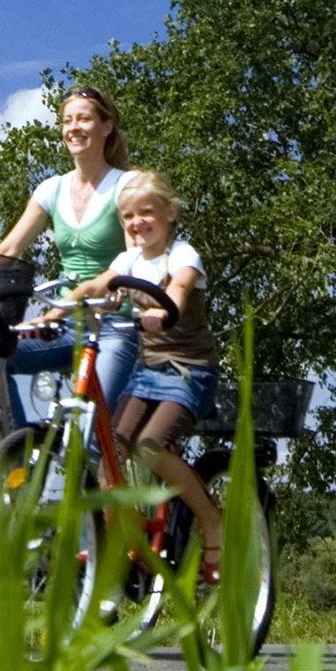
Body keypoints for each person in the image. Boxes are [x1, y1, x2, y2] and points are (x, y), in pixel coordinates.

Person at [69, 171, 223, 580]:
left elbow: (180, 290)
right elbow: (97, 285)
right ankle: (117, 540)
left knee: (151, 446)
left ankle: (211, 519)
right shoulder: (128, 261)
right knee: (111, 451)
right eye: (127, 217)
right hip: (147, 371)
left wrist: (163, 310)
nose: (137, 223)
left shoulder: (182, 255)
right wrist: (57, 308)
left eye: (146, 213)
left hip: (189, 372)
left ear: (170, 213)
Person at [0, 86, 140, 426]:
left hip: (114, 324)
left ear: (106, 126)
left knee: (91, 427)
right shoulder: (51, 189)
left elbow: (134, 256)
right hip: (66, 322)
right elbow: (10, 248)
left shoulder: (126, 186)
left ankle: (97, 470)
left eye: (84, 119)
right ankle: (19, 454)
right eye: (67, 120)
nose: (74, 127)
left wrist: (122, 288)